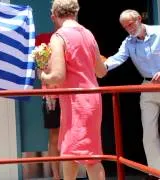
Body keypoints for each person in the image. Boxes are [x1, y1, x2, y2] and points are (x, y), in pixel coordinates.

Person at [38, 0, 107, 179]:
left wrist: (43, 76)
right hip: (90, 99)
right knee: (69, 153)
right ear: (75, 12)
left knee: (90, 158)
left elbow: (58, 76)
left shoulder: (58, 37)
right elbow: (101, 71)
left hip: (76, 101)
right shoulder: (88, 34)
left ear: (53, 16)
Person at [103, 9, 160, 177]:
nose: (129, 29)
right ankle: (156, 173)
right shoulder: (129, 42)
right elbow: (116, 59)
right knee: (148, 134)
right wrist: (99, 67)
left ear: (139, 19)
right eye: (125, 27)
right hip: (147, 86)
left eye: (131, 24)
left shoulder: (159, 31)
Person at [36, 31, 61, 180]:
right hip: (50, 98)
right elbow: (39, 73)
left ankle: (70, 173)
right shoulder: (42, 41)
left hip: (69, 95)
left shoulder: (70, 38)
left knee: (70, 135)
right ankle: (56, 175)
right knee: (54, 136)